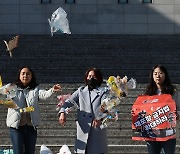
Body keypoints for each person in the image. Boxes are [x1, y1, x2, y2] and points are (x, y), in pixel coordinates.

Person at [0, 66, 61, 154]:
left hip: (30, 127)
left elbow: (44, 94)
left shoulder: (35, 88)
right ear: (19, 75)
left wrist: (52, 90)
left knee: (30, 151)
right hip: (16, 127)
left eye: (28, 74)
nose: (25, 76)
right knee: (18, 152)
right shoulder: (13, 87)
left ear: (31, 76)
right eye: (23, 74)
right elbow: (2, 95)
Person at [58, 68, 108, 154]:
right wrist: (62, 112)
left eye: (94, 77)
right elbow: (69, 101)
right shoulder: (80, 91)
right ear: (86, 78)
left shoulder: (104, 92)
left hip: (96, 129)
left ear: (99, 78)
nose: (91, 79)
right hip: (83, 129)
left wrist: (100, 116)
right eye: (89, 76)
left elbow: (106, 105)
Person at [144, 64, 180, 154]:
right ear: (152, 76)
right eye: (155, 73)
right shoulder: (148, 93)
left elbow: (179, 107)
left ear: (165, 75)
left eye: (160, 73)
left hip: (168, 133)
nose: (158, 76)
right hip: (152, 133)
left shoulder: (173, 91)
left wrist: (177, 114)